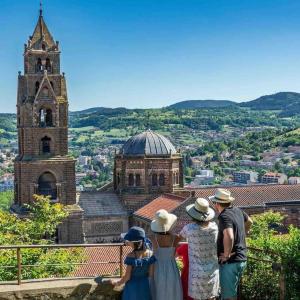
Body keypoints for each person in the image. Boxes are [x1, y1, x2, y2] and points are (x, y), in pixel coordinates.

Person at [209, 188, 253, 300]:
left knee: (228, 297)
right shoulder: (238, 210)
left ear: (217, 203)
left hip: (230, 262)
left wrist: (227, 254)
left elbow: (229, 235)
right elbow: (250, 221)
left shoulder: (224, 216)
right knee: (233, 293)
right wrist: (243, 233)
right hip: (242, 258)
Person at [179, 198, 219, 300]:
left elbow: (177, 239)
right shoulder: (214, 228)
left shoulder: (189, 229)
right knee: (212, 298)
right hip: (212, 271)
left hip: (196, 274)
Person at [110, 226, 156, 300]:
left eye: (129, 241)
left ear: (133, 243)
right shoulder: (151, 254)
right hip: (145, 286)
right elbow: (151, 274)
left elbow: (127, 277)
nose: (128, 242)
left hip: (132, 288)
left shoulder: (131, 256)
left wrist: (117, 283)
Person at [150, 209, 183, 300]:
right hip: (172, 267)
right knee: (172, 290)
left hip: (158, 267)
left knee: (159, 290)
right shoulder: (176, 238)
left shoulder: (153, 238)